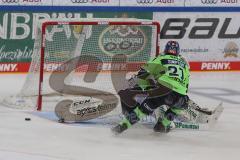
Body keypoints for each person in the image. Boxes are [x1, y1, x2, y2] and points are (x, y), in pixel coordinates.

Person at [112, 40, 191, 134]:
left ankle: (120, 128)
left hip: (163, 91)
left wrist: (136, 82)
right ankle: (163, 124)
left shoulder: (161, 58)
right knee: (179, 106)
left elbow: (144, 72)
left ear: (165, 50)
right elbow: (186, 86)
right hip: (180, 96)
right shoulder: (184, 65)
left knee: (141, 111)